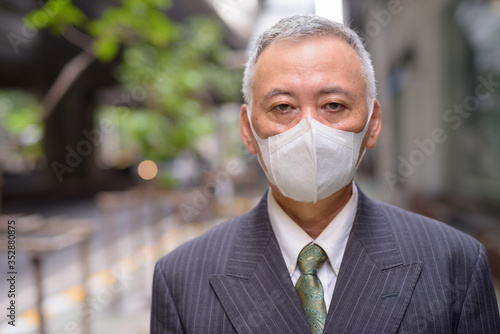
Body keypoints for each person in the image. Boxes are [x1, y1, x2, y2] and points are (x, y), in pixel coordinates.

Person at [151, 15, 500, 333]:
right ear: (247, 130)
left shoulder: (455, 264)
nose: (309, 130)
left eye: (333, 105)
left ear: (372, 124)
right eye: (283, 107)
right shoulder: (182, 280)